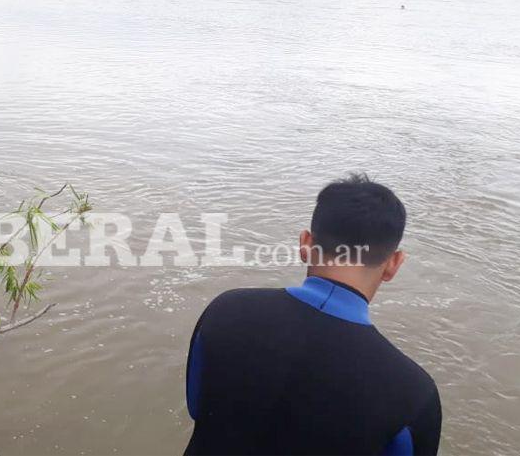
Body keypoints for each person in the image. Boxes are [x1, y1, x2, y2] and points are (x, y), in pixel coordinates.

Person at [185, 173, 441, 455]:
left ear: (305, 243)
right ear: (393, 263)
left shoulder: (225, 312)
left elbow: (197, 406)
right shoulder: (413, 395)